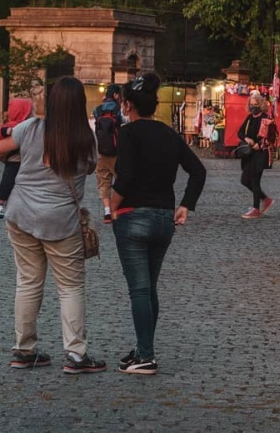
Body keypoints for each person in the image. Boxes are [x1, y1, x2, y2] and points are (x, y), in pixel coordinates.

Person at [0, 76, 105, 374]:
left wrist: (21, 159)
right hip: (60, 221)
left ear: (51, 102)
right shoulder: (86, 139)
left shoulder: (30, 128)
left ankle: (24, 351)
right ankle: (76, 355)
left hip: (21, 213)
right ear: (81, 104)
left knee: (28, 282)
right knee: (70, 287)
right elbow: (92, 167)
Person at [110, 73, 206, 375]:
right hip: (164, 217)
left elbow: (124, 177)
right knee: (149, 288)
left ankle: (146, 356)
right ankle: (142, 349)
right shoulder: (169, 134)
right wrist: (185, 205)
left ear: (127, 105)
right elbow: (198, 171)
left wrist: (111, 206)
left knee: (139, 290)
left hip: (133, 216)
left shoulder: (128, 134)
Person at [0, 98, 34, 219]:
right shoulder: (12, 125)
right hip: (14, 160)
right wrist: (8, 131)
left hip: (26, 160)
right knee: (7, 181)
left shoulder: (30, 125)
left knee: (25, 185)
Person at [237, 92, 273, 219]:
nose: (253, 107)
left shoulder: (265, 118)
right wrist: (247, 139)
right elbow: (240, 132)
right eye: (251, 104)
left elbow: (271, 135)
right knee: (244, 180)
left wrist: (259, 144)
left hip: (260, 154)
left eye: (255, 104)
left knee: (254, 180)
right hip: (249, 153)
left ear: (260, 105)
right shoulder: (249, 118)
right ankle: (265, 199)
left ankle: (256, 208)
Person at [93, 84, 123, 224]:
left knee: (104, 182)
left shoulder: (97, 110)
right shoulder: (119, 110)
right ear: (116, 95)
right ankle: (117, 209)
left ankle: (106, 212)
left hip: (102, 153)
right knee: (121, 180)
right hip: (118, 152)